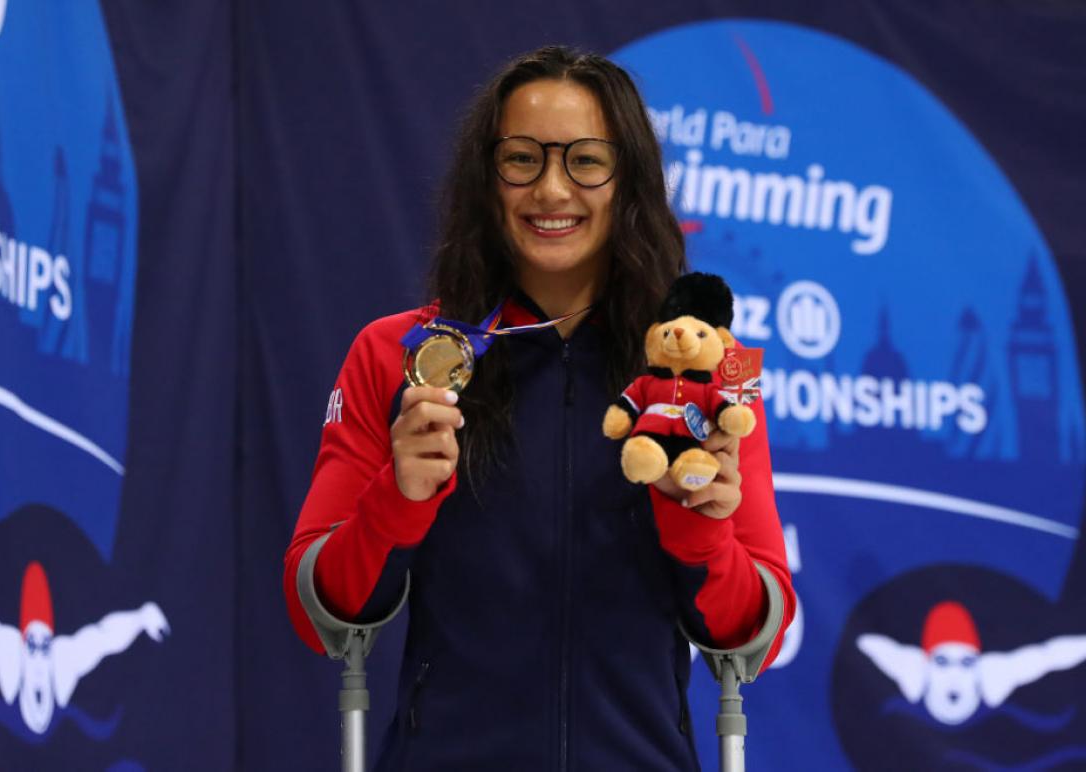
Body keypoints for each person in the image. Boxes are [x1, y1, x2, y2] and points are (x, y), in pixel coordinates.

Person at [283, 45, 795, 770]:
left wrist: (700, 534)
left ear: (629, 182)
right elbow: (321, 611)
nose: (551, 189)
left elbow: (757, 635)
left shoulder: (701, 371)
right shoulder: (395, 353)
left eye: (586, 160)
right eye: (522, 158)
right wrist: (395, 498)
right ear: (486, 179)